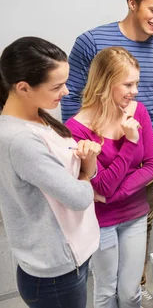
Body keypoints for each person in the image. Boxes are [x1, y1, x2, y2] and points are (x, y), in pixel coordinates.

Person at [61, 0, 153, 299]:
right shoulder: (92, 42)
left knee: (139, 223)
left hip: (152, 148)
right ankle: (110, 291)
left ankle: (133, 290)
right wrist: (80, 146)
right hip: (100, 150)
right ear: (132, 3)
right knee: (104, 228)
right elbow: (71, 97)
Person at [0, 37, 100, 308]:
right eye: (57, 86)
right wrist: (87, 171)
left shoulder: (38, 116)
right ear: (23, 88)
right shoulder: (19, 139)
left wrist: (86, 161)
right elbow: (79, 197)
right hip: (55, 272)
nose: (67, 92)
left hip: (68, 257)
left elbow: (76, 172)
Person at [65, 47, 153, 307]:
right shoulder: (76, 129)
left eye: (137, 83)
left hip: (134, 214)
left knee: (131, 293)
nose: (135, 91)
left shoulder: (137, 111)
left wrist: (110, 196)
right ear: (106, 83)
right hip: (101, 221)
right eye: (128, 84)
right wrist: (130, 143)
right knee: (106, 292)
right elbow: (102, 183)